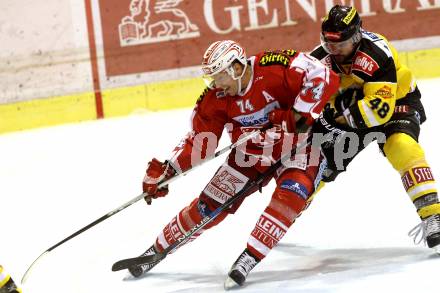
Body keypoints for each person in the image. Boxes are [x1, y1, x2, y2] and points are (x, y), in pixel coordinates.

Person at [122, 40, 339, 288]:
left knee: (291, 196)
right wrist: (168, 171)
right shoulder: (215, 98)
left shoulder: (274, 66)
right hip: (248, 156)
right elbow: (199, 142)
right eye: (211, 78)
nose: (215, 84)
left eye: (218, 76)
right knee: (206, 208)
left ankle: (250, 257)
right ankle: (156, 250)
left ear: (236, 68)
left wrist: (299, 115)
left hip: (298, 148)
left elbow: (323, 75)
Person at [309, 5, 440, 251]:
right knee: (318, 162)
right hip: (353, 112)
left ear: (357, 36)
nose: (333, 50)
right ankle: (295, 202)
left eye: (340, 43)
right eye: (328, 43)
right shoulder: (317, 60)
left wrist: (335, 115)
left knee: (402, 146)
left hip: (396, 102)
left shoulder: (377, 53)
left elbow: (379, 110)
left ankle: (433, 214)